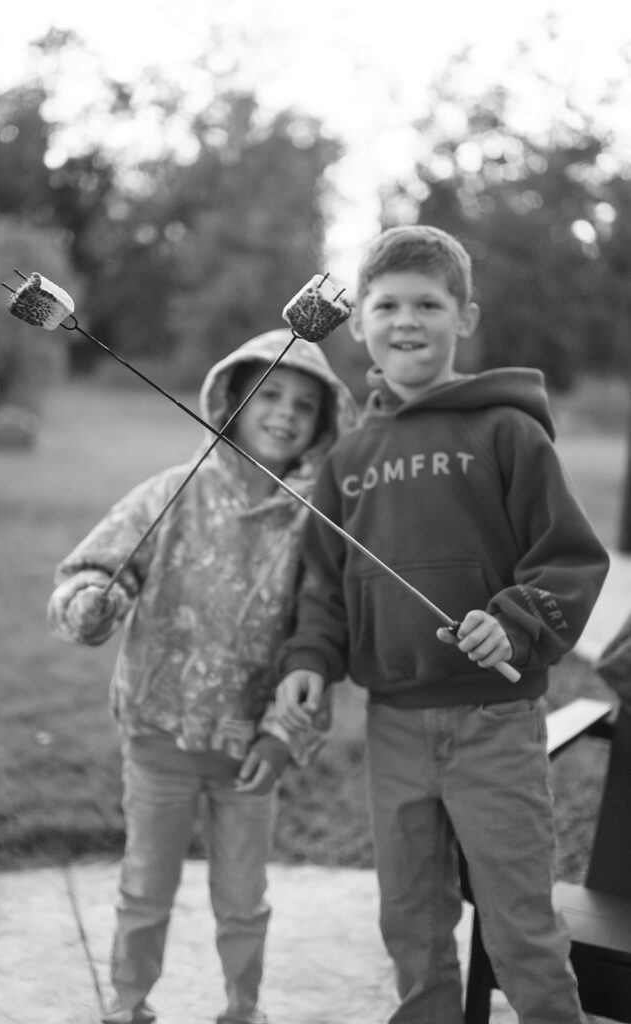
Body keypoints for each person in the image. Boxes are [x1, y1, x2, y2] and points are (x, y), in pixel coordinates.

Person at [274, 225, 610, 1024]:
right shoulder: (348, 459)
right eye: (386, 304)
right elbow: (322, 580)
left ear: (464, 317)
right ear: (359, 327)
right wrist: (309, 661)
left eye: (428, 302)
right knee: (410, 920)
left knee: (520, 923)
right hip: (394, 722)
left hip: (495, 722)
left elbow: (565, 556)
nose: (406, 320)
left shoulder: (506, 432)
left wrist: (515, 621)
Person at [48, 329, 357, 1024]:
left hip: (251, 753)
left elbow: (321, 635)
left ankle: (241, 1010)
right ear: (230, 400)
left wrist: (282, 737)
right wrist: (93, 604)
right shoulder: (170, 492)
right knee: (144, 891)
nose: (283, 413)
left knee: (243, 901)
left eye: (303, 406)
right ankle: (129, 1006)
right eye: (267, 394)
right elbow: (97, 569)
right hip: (159, 740)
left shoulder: (316, 523)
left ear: (323, 423)